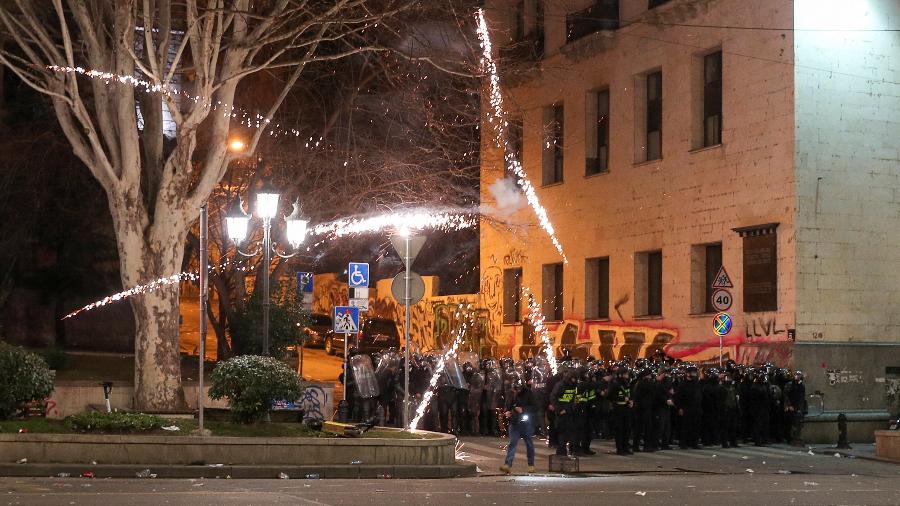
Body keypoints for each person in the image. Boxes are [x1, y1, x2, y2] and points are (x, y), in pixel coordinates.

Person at [500, 380, 537, 474]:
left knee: (529, 443)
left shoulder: (529, 393)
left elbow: (535, 407)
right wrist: (507, 412)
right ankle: (507, 464)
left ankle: (531, 465)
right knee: (512, 443)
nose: (516, 392)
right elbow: (507, 405)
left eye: (518, 390)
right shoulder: (511, 393)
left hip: (526, 423)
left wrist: (523, 410)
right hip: (514, 421)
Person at [549, 369, 579, 456]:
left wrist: (573, 406)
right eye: (574, 379)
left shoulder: (574, 385)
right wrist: (559, 410)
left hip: (569, 411)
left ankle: (569, 450)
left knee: (570, 432)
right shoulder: (560, 385)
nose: (575, 380)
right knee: (562, 432)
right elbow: (553, 397)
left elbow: (573, 398)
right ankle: (561, 452)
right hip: (562, 412)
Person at [609, 366, 633, 455]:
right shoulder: (614, 383)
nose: (627, 376)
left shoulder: (627, 383)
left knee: (627, 428)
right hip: (618, 409)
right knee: (619, 429)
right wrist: (622, 398)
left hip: (626, 409)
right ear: (620, 375)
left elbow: (630, 393)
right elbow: (609, 396)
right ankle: (620, 449)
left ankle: (625, 447)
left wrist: (631, 400)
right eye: (625, 374)